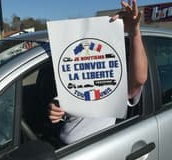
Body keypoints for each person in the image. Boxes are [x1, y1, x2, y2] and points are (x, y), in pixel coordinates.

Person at [48, 0, 148, 144]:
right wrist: (53, 108)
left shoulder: (111, 80)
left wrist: (134, 33)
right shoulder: (69, 76)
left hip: (94, 149)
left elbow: (139, 80)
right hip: (61, 146)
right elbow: (60, 105)